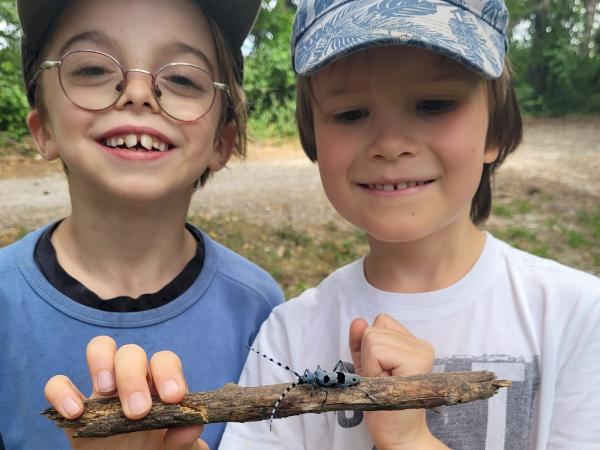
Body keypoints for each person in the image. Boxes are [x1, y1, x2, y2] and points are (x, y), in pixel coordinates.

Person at [217, 0, 600, 449]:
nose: (391, 144)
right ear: (313, 137)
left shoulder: (577, 317)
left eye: (434, 104)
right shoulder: (288, 335)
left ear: (494, 131)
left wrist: (411, 440)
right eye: (351, 114)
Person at [0, 0, 284, 449]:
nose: (138, 93)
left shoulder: (261, 310)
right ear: (44, 127)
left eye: (183, 78)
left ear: (222, 143)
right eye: (92, 70)